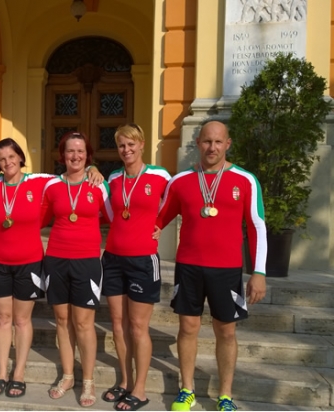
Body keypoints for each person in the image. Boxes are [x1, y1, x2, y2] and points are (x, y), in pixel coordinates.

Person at [0, 138, 103, 398]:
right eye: (2, 159)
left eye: (12, 156)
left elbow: (71, 173)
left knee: (22, 320)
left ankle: (19, 374)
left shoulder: (40, 181)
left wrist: (92, 168)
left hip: (30, 262)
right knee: (3, 319)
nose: (8, 162)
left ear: (21, 157)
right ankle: (2, 372)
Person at [156, 121, 267, 412]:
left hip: (227, 269)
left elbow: (257, 226)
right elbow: (158, 219)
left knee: (226, 331)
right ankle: (187, 390)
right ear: (198, 143)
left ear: (228, 144)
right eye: (207, 141)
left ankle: (225, 395)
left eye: (218, 142)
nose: (212, 147)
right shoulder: (180, 181)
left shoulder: (245, 180)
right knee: (187, 327)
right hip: (189, 267)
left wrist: (259, 272)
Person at [101, 123, 171, 411]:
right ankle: (125, 380)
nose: (126, 150)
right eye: (121, 145)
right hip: (113, 258)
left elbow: (174, 202)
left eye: (131, 144)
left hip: (143, 260)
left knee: (139, 326)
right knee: (118, 324)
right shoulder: (114, 178)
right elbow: (109, 211)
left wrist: (160, 224)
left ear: (142, 144)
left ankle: (140, 389)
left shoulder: (160, 176)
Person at [41, 131, 113, 408]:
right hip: (56, 259)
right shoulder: (51, 186)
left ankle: (89, 380)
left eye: (80, 151)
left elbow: (113, 216)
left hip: (87, 261)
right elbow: (39, 216)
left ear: (87, 155)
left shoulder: (99, 185)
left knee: (83, 323)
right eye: (70, 151)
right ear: (63, 155)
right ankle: (68, 376)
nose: (75, 156)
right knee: (62, 320)